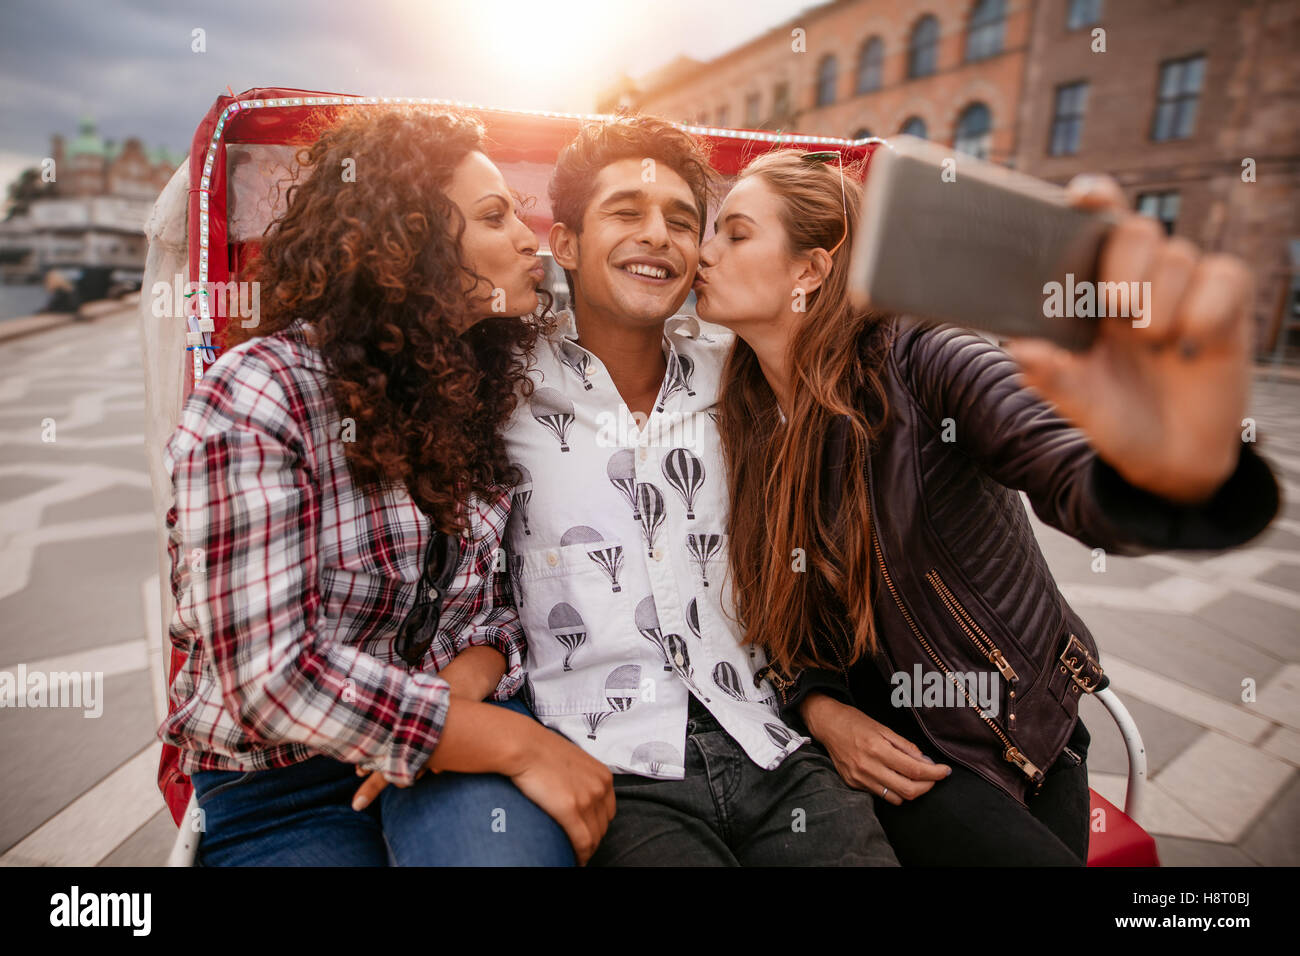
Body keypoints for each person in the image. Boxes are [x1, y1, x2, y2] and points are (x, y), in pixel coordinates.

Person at [694, 148, 1280, 865]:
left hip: (1003, 728)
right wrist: (821, 708)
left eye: (735, 233)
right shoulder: (747, 413)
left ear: (810, 269)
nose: (704, 251)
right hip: (884, 743)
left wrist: (1172, 466)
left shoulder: (921, 355)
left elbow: (1067, 472)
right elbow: (786, 610)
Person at [160, 106, 614, 866]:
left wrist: (470, 694)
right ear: (408, 242)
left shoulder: (475, 392)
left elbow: (498, 611)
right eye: (495, 216)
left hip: (460, 741)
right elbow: (271, 678)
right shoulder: (261, 395)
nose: (529, 239)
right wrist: (511, 743)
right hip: (282, 788)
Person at [499, 115, 897, 866]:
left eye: (683, 221)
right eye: (627, 212)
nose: (659, 236)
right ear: (568, 245)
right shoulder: (499, 389)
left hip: (770, 744)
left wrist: (822, 702)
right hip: (613, 766)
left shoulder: (742, 371)